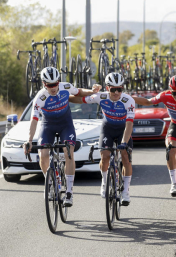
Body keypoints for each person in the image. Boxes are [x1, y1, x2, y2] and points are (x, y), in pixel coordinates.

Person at [24, 67, 101, 207]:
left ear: (58, 81)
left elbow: (79, 91)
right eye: (49, 85)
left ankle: (70, 191)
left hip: (66, 125)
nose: (53, 88)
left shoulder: (65, 87)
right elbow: (34, 120)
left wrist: (92, 91)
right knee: (43, 154)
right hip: (48, 126)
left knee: (69, 152)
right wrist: (29, 140)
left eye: (55, 84)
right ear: (43, 84)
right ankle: (50, 182)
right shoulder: (40, 97)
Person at [132, 75, 176, 203]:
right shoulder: (164, 96)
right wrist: (128, 99)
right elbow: (148, 102)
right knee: (171, 149)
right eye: (174, 93)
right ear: (170, 91)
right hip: (175, 126)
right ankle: (174, 183)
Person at [70, 72, 135, 206]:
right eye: (113, 89)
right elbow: (78, 100)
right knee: (105, 156)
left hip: (124, 129)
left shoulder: (128, 101)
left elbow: (129, 124)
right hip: (108, 128)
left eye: (119, 89)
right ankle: (105, 181)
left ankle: (125, 191)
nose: (116, 92)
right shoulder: (100, 97)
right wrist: (64, 97)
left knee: (125, 157)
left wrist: (123, 142)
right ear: (107, 88)